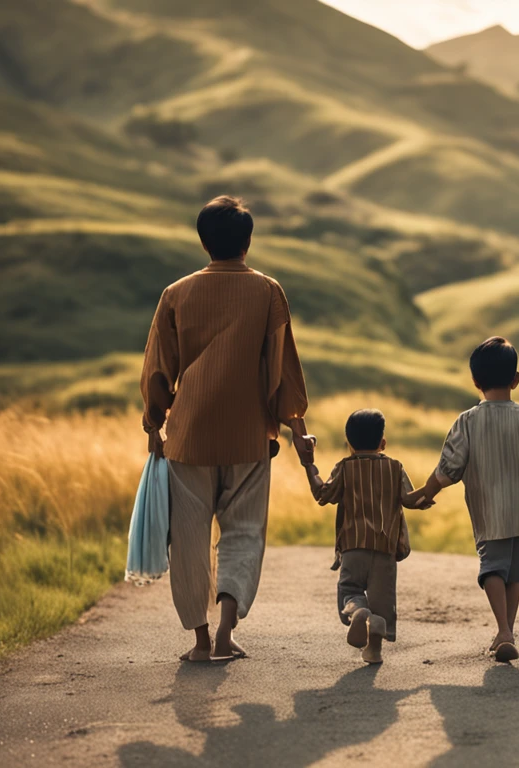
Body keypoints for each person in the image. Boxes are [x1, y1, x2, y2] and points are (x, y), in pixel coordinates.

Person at [140, 196, 316, 663]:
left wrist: (154, 423)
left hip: (188, 435)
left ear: (203, 241)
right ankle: (225, 629)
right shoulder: (267, 291)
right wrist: (296, 428)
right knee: (243, 531)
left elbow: (159, 370)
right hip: (249, 434)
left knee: (191, 537)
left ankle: (199, 644)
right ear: (248, 242)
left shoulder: (175, 294)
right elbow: (282, 369)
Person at [408, 337, 519, 662]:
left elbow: (448, 468)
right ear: (516, 380)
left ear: (475, 382)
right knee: (512, 573)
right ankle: (505, 632)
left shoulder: (467, 421)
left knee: (491, 568)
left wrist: (426, 492)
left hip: (487, 511)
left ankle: (504, 631)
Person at [312, 409, 431, 665]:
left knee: (351, 591)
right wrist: (426, 496)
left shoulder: (344, 467)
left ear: (349, 444)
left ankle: (358, 611)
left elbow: (323, 495)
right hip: (385, 550)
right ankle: (373, 649)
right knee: (381, 606)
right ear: (383, 442)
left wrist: (310, 465)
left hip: (354, 547)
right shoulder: (395, 467)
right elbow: (409, 499)